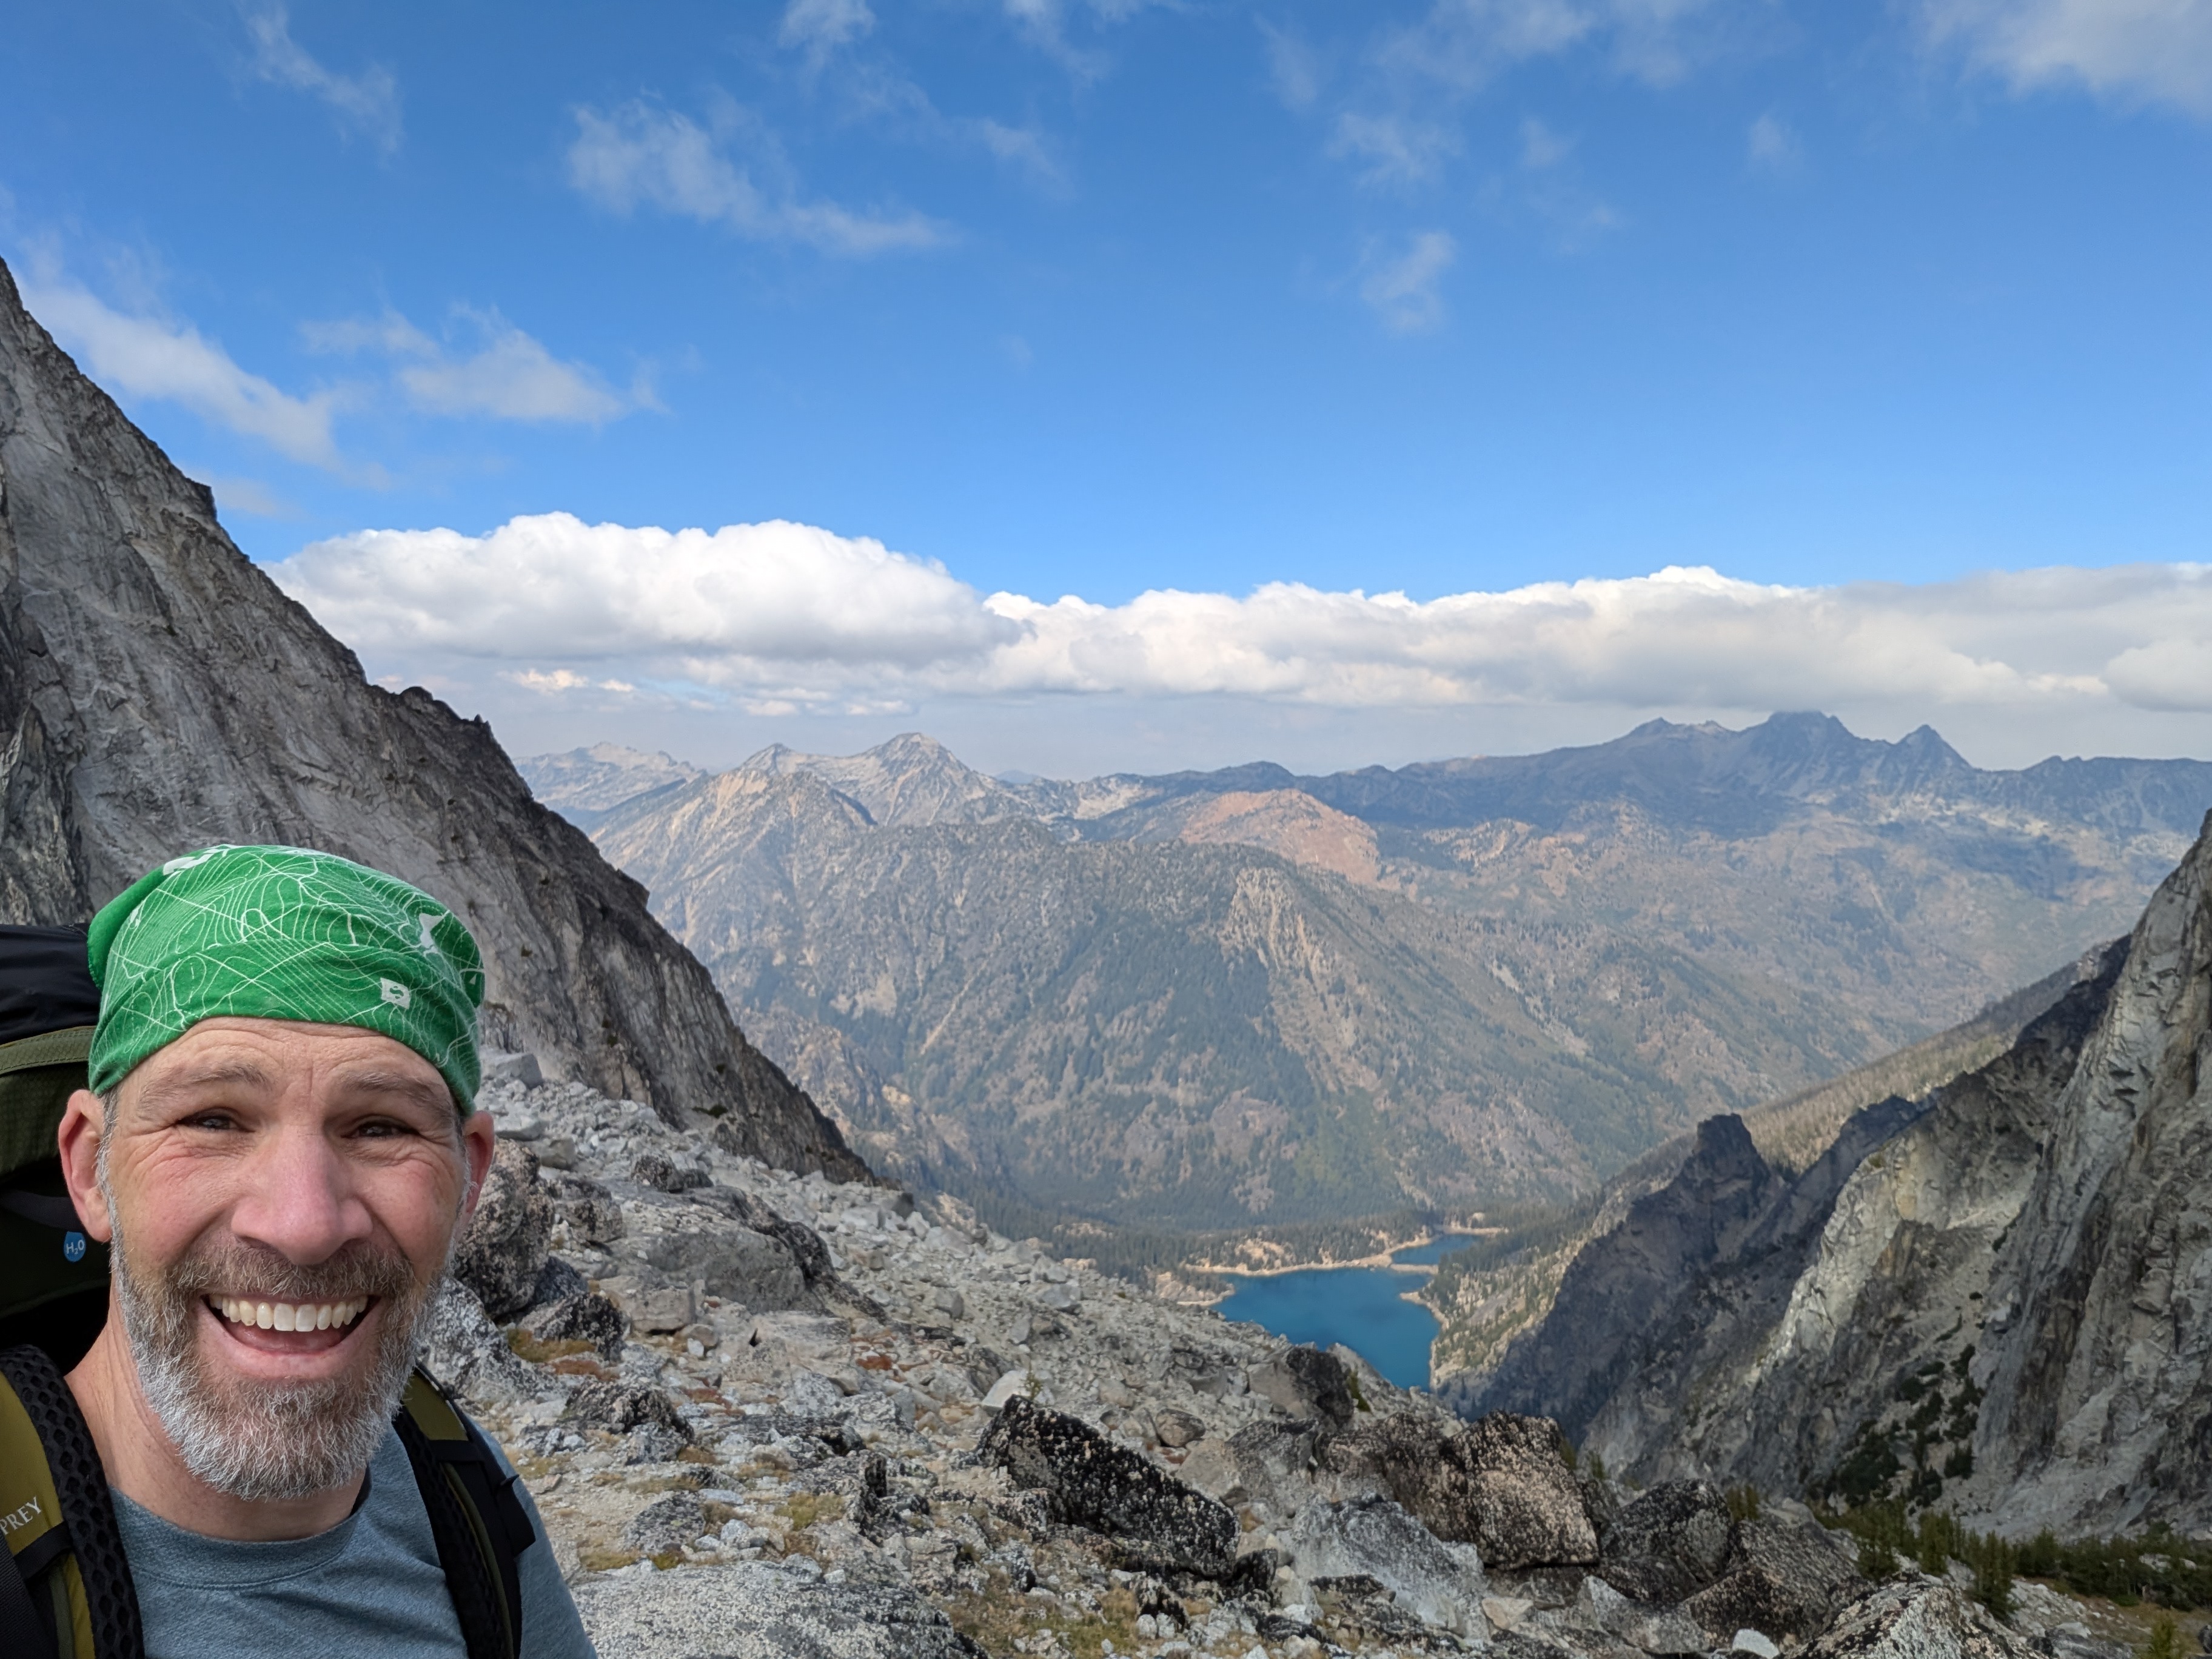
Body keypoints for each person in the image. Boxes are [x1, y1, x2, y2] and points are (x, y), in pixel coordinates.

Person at [51, 844, 595, 1655]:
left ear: (468, 1183)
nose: (304, 1226)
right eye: (212, 1120)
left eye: (380, 1127)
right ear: (91, 1169)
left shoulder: (463, 1493)